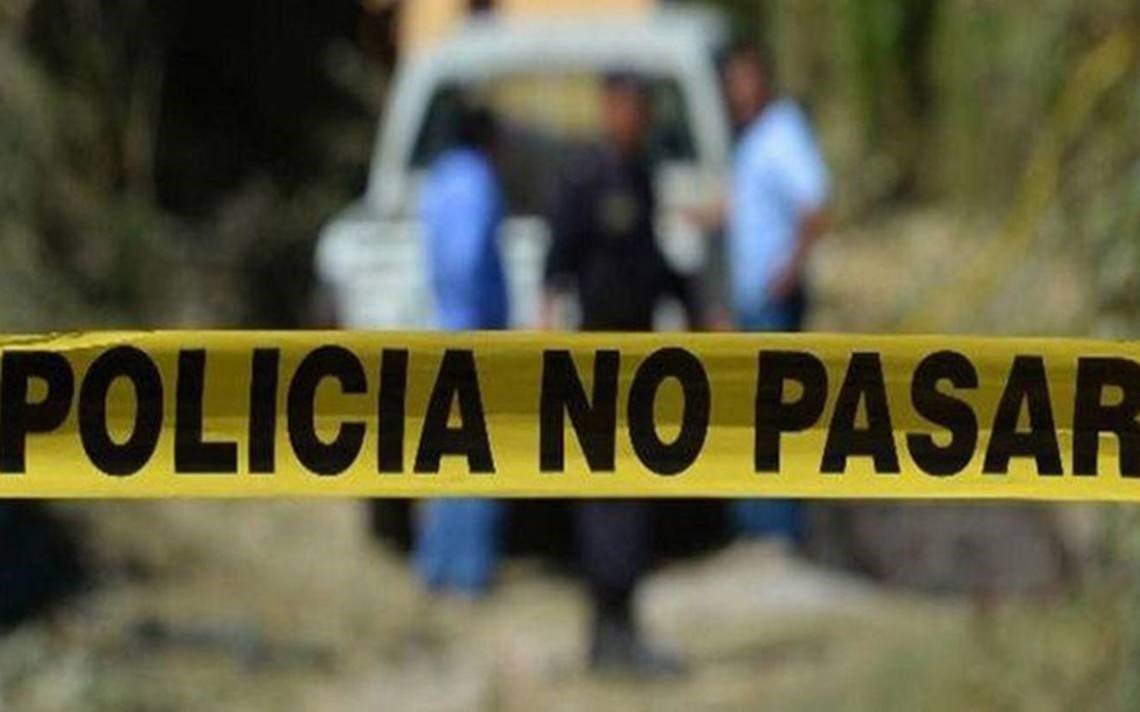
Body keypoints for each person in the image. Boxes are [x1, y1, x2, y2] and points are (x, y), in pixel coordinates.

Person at [541, 74, 695, 676]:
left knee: (633, 489)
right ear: (609, 108)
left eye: (642, 108)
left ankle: (623, 627)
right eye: (627, 105)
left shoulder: (641, 175)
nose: (635, 117)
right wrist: (546, 336)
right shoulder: (585, 176)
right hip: (596, 361)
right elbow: (557, 264)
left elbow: (653, 263)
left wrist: (698, 307)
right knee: (606, 492)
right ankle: (607, 631)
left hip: (642, 359)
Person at [722, 41, 830, 540]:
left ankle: (779, 532)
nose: (737, 90)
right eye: (732, 81)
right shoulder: (753, 138)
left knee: (775, 421)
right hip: (751, 303)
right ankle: (759, 527)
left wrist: (788, 270)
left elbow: (815, 207)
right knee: (751, 418)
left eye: (744, 79)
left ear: (762, 79)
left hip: (773, 303)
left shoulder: (782, 132)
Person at [414, 104, 509, 595]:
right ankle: (469, 572)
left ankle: (436, 565)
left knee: (442, 453)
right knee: (476, 456)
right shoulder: (478, 182)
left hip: (444, 326)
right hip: (473, 335)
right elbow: (468, 257)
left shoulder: (440, 179)